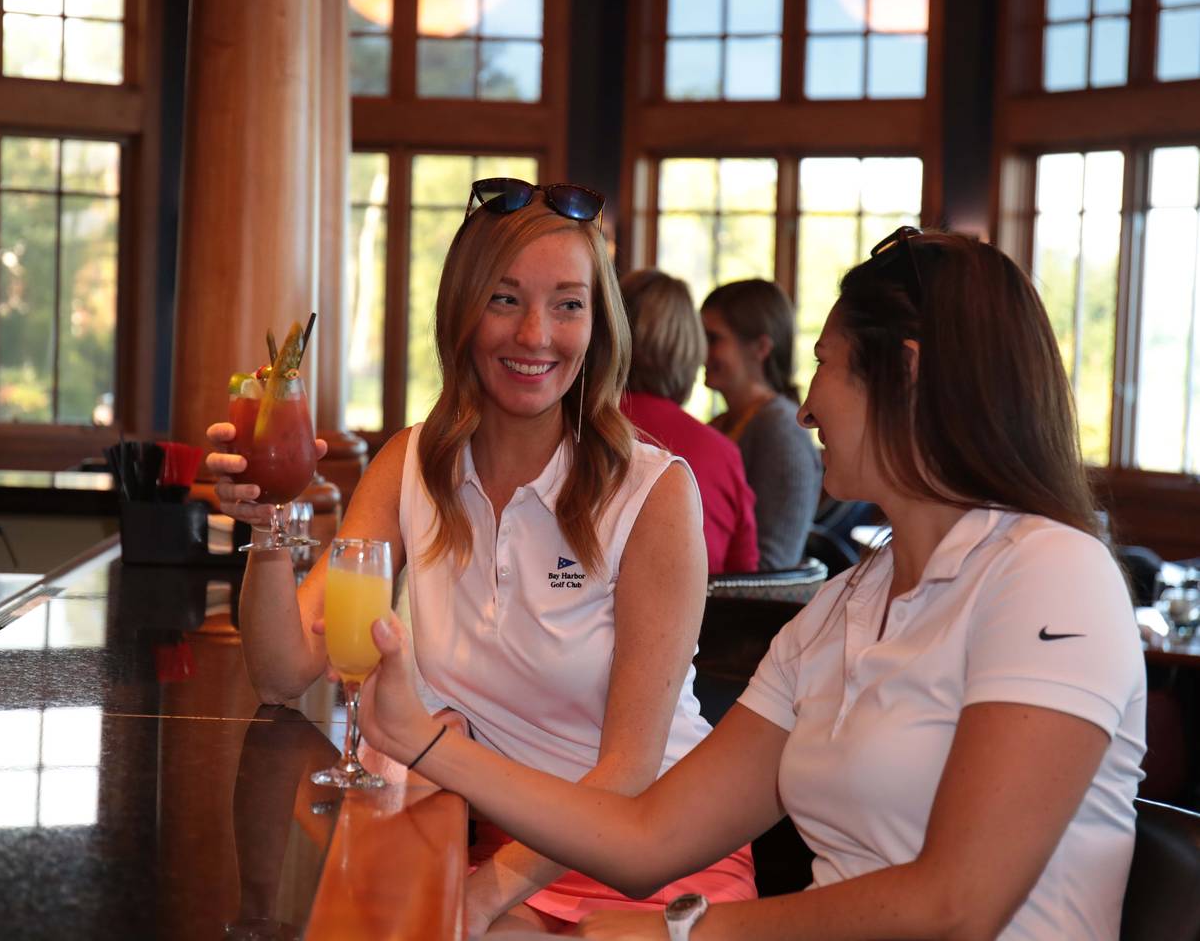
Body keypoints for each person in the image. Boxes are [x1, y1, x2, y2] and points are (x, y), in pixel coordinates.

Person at [358, 228, 1147, 940]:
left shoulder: (1052, 572)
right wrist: (422, 740)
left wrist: (685, 934)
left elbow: (958, 904)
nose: (806, 408)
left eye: (825, 365)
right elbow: (647, 837)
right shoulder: (842, 608)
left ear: (905, 373)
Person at [207, 179, 755, 934]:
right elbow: (281, 672)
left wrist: (478, 899)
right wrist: (267, 524)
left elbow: (628, 771)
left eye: (568, 304)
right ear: (461, 312)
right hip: (498, 841)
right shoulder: (409, 465)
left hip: (655, 853)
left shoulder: (654, 493)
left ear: (598, 326)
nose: (536, 334)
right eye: (505, 299)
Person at [618, 268, 757, 575]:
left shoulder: (570, 431)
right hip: (705, 607)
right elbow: (744, 580)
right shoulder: (721, 453)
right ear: (691, 351)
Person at [702, 279, 822, 570]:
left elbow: (774, 563)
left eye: (713, 338)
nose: (700, 350)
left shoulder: (780, 429)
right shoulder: (721, 423)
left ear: (760, 347)